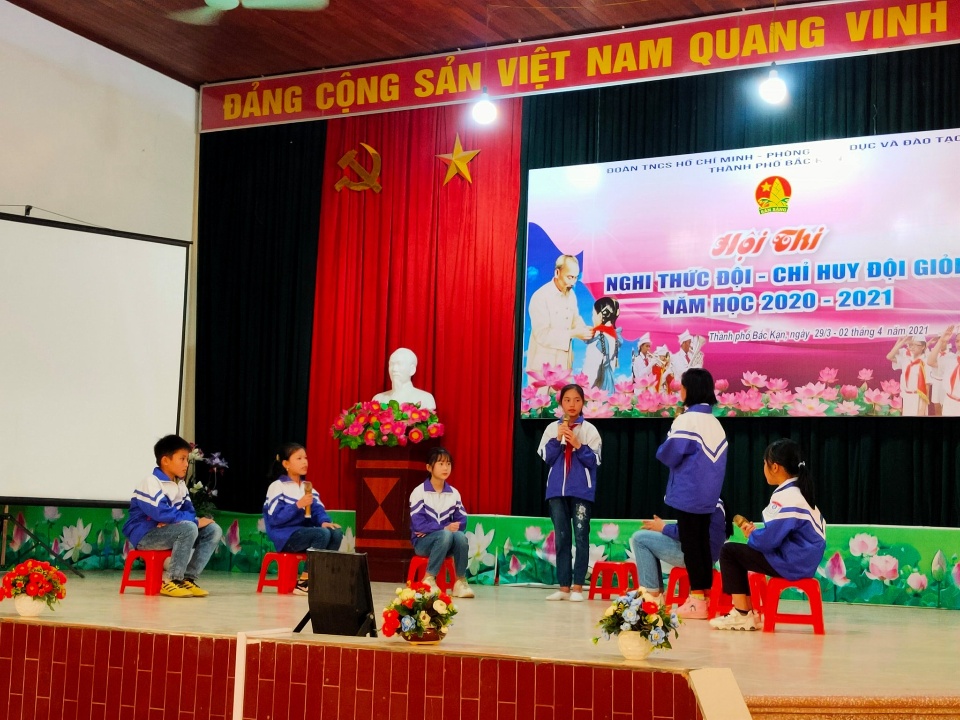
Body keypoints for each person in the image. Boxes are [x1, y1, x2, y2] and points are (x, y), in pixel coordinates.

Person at [710, 439, 826, 631]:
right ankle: (748, 613)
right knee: (738, 553)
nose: (763, 468)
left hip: (792, 563)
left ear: (775, 467)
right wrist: (757, 534)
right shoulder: (801, 492)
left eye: (764, 463)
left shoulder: (786, 497)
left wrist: (752, 536)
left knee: (729, 551)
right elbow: (778, 534)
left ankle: (741, 613)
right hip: (803, 562)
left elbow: (768, 542)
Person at [655, 368, 727, 618]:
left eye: (682, 386)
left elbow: (669, 454)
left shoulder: (687, 420)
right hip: (709, 494)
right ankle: (704, 596)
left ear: (690, 390)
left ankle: (696, 599)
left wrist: (671, 431)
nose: (680, 391)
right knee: (701, 544)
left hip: (689, 492)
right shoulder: (715, 423)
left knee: (691, 545)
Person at [123, 434, 223, 598]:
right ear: (165, 460)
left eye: (187, 460)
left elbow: (189, 511)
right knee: (189, 527)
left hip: (170, 531)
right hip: (145, 535)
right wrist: (185, 521)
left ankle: (188, 578)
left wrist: (174, 522)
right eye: (182, 459)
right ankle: (172, 580)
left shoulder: (180, 484)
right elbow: (161, 512)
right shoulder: (151, 482)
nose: (186, 464)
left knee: (213, 530)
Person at [538, 383, 602, 601]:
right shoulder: (551, 429)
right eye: (567, 400)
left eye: (576, 400)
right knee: (562, 537)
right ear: (561, 403)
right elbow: (546, 457)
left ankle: (577, 587)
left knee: (581, 536)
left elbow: (595, 461)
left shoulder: (589, 430)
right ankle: (564, 587)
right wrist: (558, 439)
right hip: (557, 491)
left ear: (583, 403)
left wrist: (578, 444)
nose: (572, 404)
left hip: (581, 491)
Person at [263, 442, 343, 595]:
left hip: (303, 532)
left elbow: (318, 510)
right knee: (321, 534)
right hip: (285, 535)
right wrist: (297, 505)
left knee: (335, 532)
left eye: (305, 458)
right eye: (299, 458)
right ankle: (304, 582)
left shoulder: (307, 487)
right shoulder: (277, 486)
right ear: (286, 464)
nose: (304, 462)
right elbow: (275, 519)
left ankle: (321, 579)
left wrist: (324, 521)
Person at [630, 499, 730, 602]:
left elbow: (689, 533)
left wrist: (663, 527)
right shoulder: (715, 503)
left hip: (696, 555)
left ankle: (651, 595)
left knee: (639, 538)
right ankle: (654, 593)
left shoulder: (703, 504)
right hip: (705, 555)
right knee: (648, 539)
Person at [409, 447, 475, 599]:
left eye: (448, 464)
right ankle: (428, 579)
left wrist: (453, 527)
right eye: (441, 464)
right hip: (423, 543)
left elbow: (462, 521)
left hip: (446, 543)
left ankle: (460, 582)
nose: (445, 468)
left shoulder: (454, 493)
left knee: (460, 537)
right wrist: (444, 528)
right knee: (445, 534)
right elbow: (419, 525)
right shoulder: (419, 492)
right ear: (429, 467)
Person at [526, 255, 594, 374]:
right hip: (542, 370)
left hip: (564, 366)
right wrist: (574, 333)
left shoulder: (571, 295)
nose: (573, 282)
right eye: (569, 277)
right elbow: (542, 334)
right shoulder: (541, 297)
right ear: (557, 273)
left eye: (576, 278)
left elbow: (575, 319)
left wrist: (584, 331)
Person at [373, 348, 437, 409]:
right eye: (391, 364)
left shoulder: (425, 399)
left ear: (412, 370)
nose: (394, 369)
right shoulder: (378, 399)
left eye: (399, 364)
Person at [582, 297, 622, 392]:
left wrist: (583, 390)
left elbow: (590, 372)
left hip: (594, 391)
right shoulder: (614, 337)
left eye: (593, 314)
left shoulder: (598, 337)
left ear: (600, 315)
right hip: (608, 387)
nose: (592, 318)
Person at [886, 335, 929, 416]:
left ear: (923, 347)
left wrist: (922, 409)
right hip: (906, 397)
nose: (913, 347)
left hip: (918, 398)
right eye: (911, 345)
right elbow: (889, 356)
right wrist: (902, 341)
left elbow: (926, 386)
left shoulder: (925, 362)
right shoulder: (906, 359)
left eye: (916, 345)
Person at [928, 325, 960, 417]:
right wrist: (941, 341)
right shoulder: (950, 358)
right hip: (949, 402)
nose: (959, 344)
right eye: (957, 341)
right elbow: (930, 362)